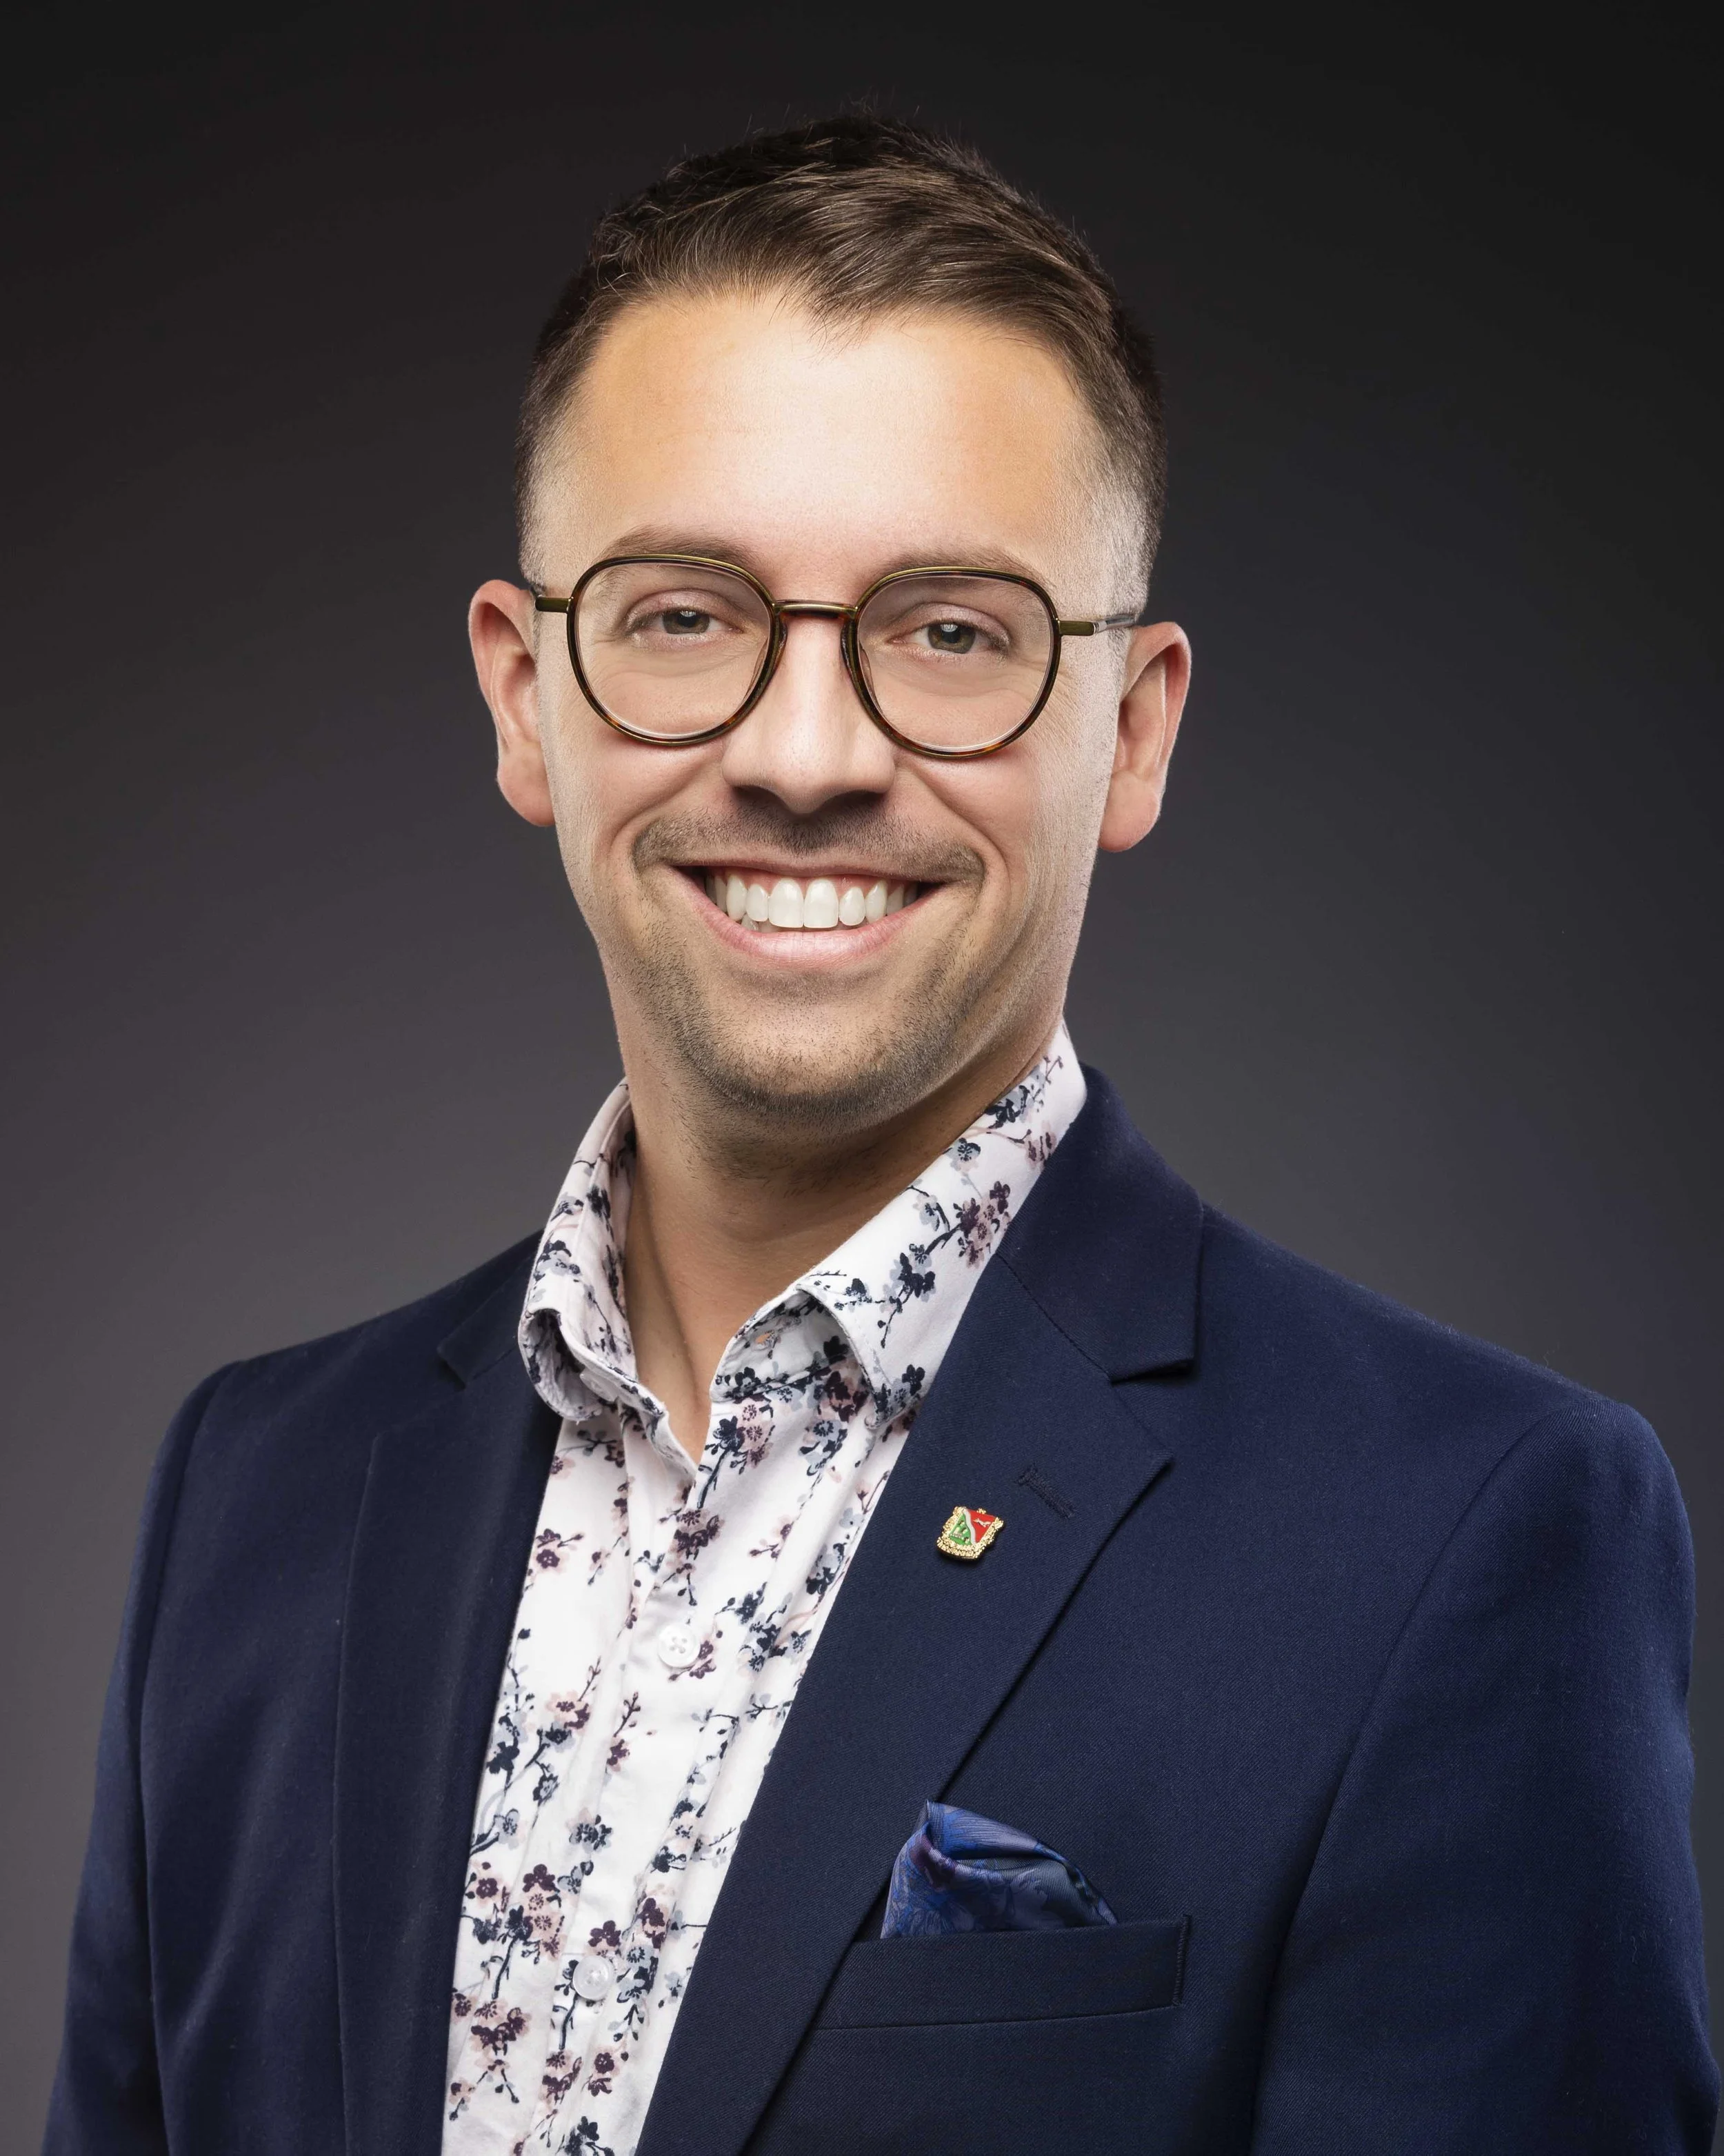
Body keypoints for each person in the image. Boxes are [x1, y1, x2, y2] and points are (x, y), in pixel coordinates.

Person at [45, 114, 1716, 2156]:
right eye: (679, 614)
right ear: (520, 693)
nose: (807, 752)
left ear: (1138, 726)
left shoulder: (1466, 1542)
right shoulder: (255, 1486)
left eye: (949, 630)